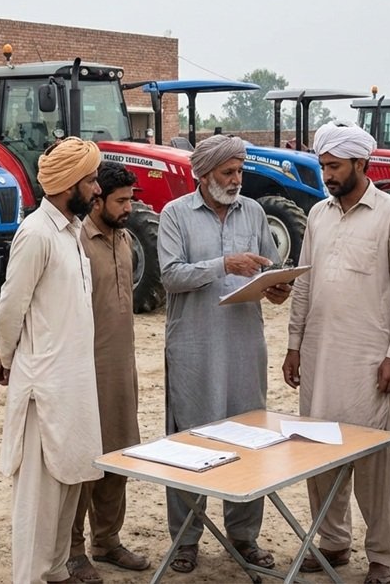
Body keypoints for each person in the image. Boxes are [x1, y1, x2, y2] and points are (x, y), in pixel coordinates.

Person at [282, 121, 390, 584]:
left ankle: (383, 557)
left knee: (373, 461)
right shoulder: (318, 215)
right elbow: (303, 286)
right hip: (319, 358)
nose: (328, 174)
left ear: (362, 163)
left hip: (369, 362)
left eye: (335, 166)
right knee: (319, 456)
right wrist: (294, 345)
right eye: (323, 166)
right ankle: (333, 544)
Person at [157, 134, 292, 574]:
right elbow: (172, 276)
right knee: (189, 440)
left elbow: (269, 271)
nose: (236, 180)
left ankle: (243, 537)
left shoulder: (253, 212)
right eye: (227, 173)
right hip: (194, 346)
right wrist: (225, 265)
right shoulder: (174, 214)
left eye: (239, 172)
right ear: (203, 173)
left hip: (243, 345)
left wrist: (277, 286)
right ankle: (186, 540)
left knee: (249, 437)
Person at [0, 136, 105, 584]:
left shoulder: (72, 233)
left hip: (75, 387)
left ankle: (56, 574)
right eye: (92, 180)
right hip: (44, 391)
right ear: (69, 184)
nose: (97, 189)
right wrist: (5, 358)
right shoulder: (36, 234)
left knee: (70, 488)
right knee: (38, 505)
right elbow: (9, 307)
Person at [67, 162, 150, 584]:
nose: (129, 207)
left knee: (119, 456)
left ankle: (108, 540)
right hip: (87, 372)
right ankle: (73, 551)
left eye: (132, 199)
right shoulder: (77, 243)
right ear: (96, 199)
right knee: (85, 464)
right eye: (122, 200)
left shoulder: (126, 239)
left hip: (122, 369)